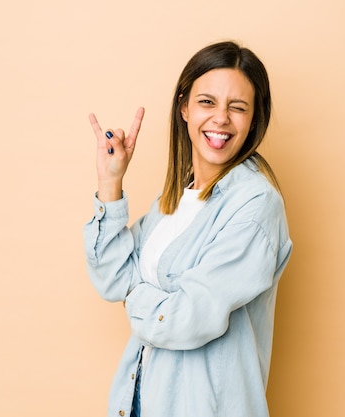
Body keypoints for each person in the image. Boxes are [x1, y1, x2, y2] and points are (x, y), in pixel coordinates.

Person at [84, 41, 292, 417]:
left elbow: (187, 318)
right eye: (207, 102)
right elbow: (113, 278)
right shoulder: (176, 201)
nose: (221, 119)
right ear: (184, 108)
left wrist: (137, 298)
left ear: (253, 118)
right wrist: (110, 182)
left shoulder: (256, 204)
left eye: (238, 107)